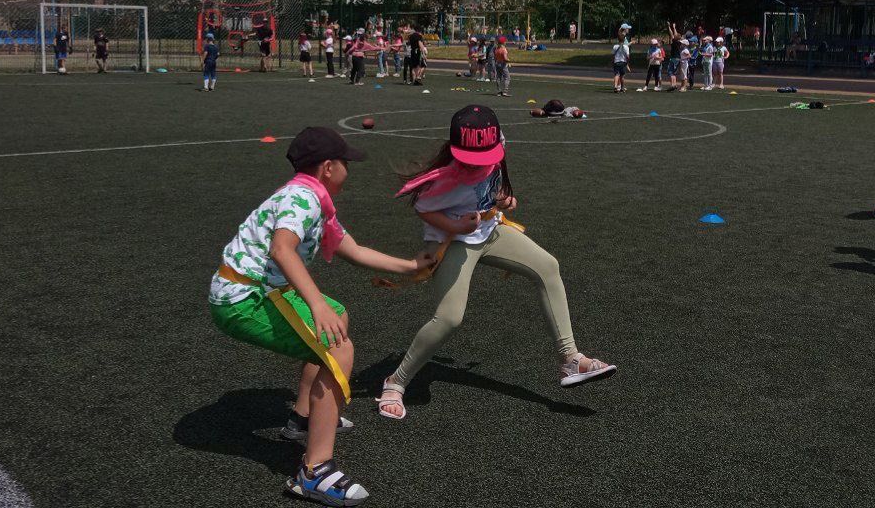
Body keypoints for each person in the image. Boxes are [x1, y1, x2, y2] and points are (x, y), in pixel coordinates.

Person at [209, 127, 432, 506]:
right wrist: (316, 302)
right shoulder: (303, 198)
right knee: (338, 348)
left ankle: (302, 420)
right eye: (345, 163)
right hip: (243, 296)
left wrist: (411, 266)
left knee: (338, 316)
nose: (349, 169)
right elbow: (282, 249)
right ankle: (314, 472)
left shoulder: (314, 199)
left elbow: (355, 250)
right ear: (328, 167)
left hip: (257, 289)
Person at [375, 105, 616, 420]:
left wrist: (502, 198)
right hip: (453, 242)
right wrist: (456, 227)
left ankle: (571, 359)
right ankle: (396, 381)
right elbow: (423, 208)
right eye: (472, 160)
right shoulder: (442, 180)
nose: (480, 165)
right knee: (449, 318)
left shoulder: (497, 145)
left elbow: (491, 185)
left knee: (547, 267)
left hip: (490, 230)